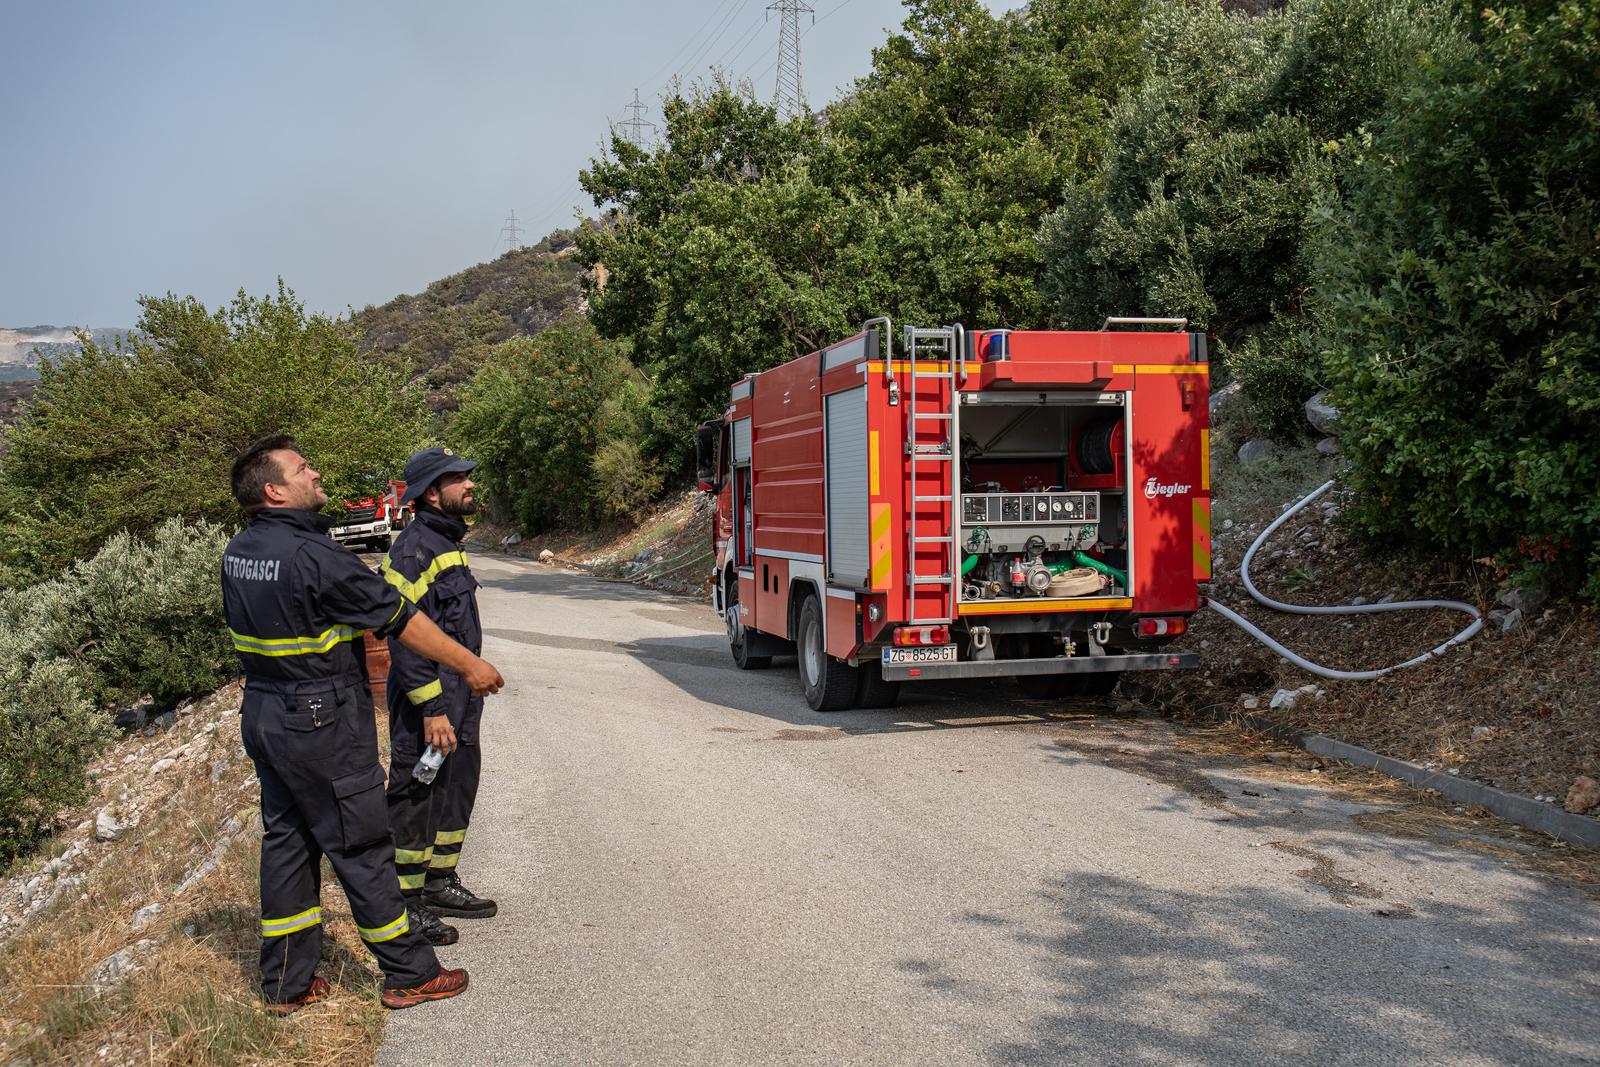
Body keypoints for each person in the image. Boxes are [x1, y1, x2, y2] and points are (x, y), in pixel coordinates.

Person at [221, 435, 504, 1013]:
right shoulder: (314, 556)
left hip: (266, 713)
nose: (315, 473)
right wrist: (470, 665)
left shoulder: (240, 549)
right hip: (320, 718)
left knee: (289, 844)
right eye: (304, 469)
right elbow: (401, 621)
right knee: (363, 845)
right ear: (275, 490)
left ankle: (286, 984)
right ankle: (409, 972)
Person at [383, 447, 497, 945]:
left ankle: (438, 883)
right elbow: (404, 636)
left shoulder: (445, 540)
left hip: (459, 703)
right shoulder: (413, 550)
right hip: (428, 707)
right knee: (417, 798)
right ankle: (405, 906)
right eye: (458, 479)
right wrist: (431, 708)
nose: (470, 485)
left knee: (455, 788)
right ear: (432, 492)